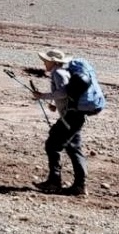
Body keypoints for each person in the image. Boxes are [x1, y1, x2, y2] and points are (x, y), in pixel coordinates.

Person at [31, 48, 90, 196]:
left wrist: (43, 96)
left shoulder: (57, 73)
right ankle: (80, 185)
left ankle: (54, 182)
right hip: (76, 116)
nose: (44, 62)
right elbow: (67, 94)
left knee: (52, 145)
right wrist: (54, 103)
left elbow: (63, 92)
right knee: (73, 148)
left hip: (70, 117)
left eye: (46, 60)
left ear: (53, 61)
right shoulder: (65, 73)